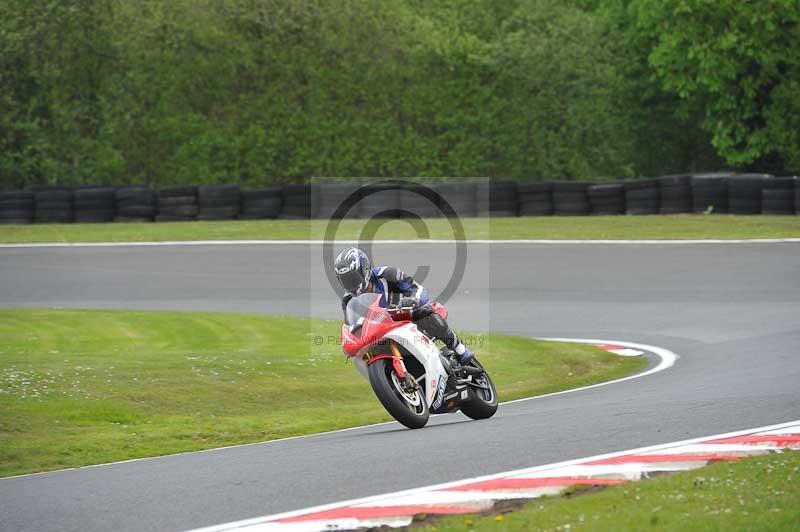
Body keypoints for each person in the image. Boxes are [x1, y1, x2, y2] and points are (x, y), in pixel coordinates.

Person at [334, 247, 473, 364]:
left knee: (426, 313)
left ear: (364, 270)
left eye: (353, 279)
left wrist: (411, 300)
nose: (350, 284)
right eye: (345, 281)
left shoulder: (388, 274)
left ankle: (460, 349)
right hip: (379, 331)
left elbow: (419, 290)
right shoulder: (348, 300)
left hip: (403, 316)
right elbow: (352, 326)